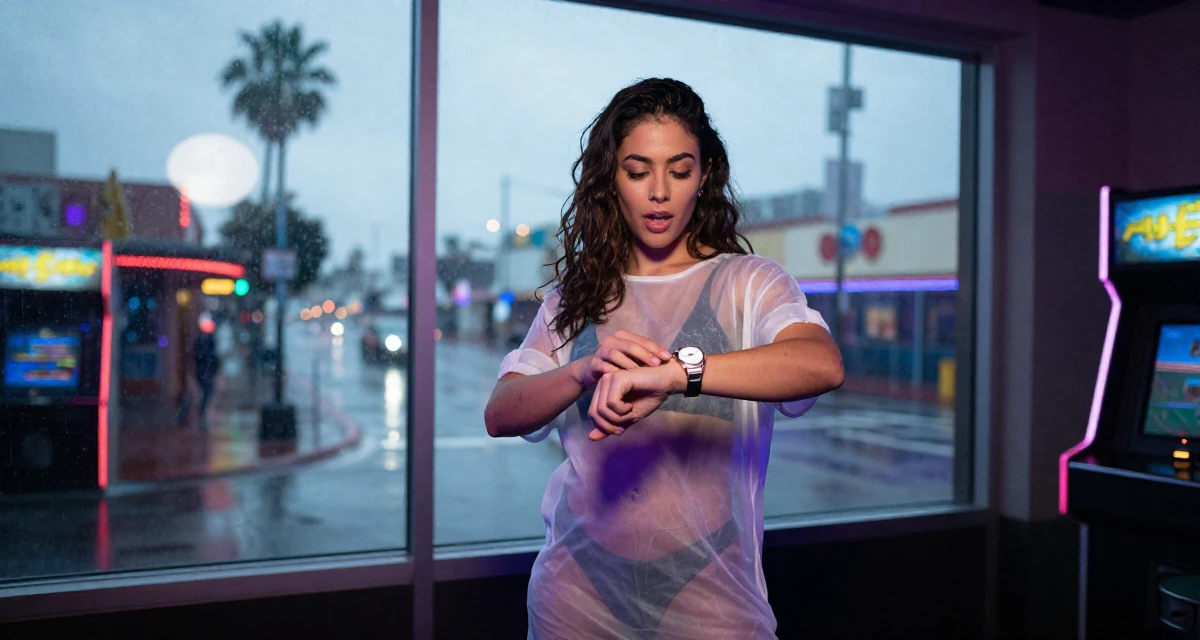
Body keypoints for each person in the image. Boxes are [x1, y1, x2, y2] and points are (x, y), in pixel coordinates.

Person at [484, 78, 845, 639]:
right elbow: (501, 412)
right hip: (574, 596)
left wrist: (679, 373)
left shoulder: (747, 283)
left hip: (715, 601)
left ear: (704, 176)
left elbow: (820, 364)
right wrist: (581, 371)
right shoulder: (574, 298)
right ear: (611, 179)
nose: (659, 192)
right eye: (637, 172)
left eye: (679, 171)